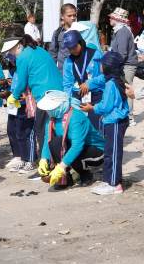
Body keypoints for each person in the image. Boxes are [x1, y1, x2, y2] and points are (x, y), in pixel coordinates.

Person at [7, 35, 63, 169]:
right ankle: (58, 162)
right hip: (59, 92)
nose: (10, 53)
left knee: (42, 131)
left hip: (45, 97)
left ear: (19, 45)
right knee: (56, 128)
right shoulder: (39, 50)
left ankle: (48, 165)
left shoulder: (23, 57)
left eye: (11, 50)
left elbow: (21, 81)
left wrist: (13, 96)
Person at [80, 52, 129, 195]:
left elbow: (105, 106)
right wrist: (88, 84)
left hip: (115, 122)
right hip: (112, 121)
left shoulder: (110, 84)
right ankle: (108, 180)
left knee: (113, 153)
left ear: (108, 67)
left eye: (102, 64)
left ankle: (115, 184)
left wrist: (92, 107)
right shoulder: (113, 78)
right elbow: (99, 80)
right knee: (109, 152)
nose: (99, 65)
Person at [36, 90, 105, 191]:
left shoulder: (76, 117)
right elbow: (48, 139)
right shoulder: (52, 118)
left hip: (95, 150)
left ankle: (85, 174)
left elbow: (77, 146)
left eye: (51, 108)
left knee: (75, 152)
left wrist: (61, 167)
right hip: (74, 146)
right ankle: (66, 178)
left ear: (61, 106)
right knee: (54, 143)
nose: (48, 111)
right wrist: (43, 159)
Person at [0, 41, 37, 174]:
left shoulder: (25, 66)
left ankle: (31, 160)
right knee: (19, 132)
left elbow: (29, 85)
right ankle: (22, 157)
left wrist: (24, 96)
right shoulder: (14, 71)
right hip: (16, 105)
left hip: (28, 104)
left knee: (29, 133)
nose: (12, 61)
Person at [61, 30, 103, 130]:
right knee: (81, 131)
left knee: (96, 130)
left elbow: (106, 77)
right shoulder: (68, 62)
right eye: (70, 49)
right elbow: (67, 85)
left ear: (80, 42)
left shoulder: (96, 55)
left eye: (75, 47)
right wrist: (68, 102)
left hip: (96, 99)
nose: (73, 50)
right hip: (78, 101)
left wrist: (90, 83)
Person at [108, 7, 138, 126]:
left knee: (127, 90)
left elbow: (122, 53)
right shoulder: (119, 30)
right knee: (123, 90)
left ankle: (129, 117)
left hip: (126, 65)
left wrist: (111, 64)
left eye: (112, 17)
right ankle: (125, 114)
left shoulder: (122, 32)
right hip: (124, 64)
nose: (110, 18)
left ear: (117, 19)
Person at [49, 3, 77, 70]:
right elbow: (53, 53)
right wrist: (53, 71)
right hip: (63, 72)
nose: (73, 18)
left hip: (79, 71)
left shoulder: (81, 31)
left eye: (74, 15)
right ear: (62, 16)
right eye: (69, 16)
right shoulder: (57, 33)